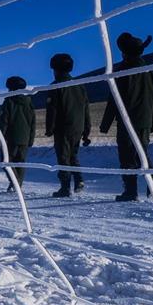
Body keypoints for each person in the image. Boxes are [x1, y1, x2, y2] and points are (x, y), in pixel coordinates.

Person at [99, 32, 153, 202]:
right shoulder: (148, 70)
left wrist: (105, 124)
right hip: (145, 119)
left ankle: (130, 191)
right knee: (141, 151)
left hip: (127, 119)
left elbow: (114, 99)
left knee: (127, 155)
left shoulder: (122, 71)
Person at [45, 53, 91, 197]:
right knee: (73, 154)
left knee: (63, 157)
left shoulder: (55, 86)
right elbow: (86, 108)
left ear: (55, 69)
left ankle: (65, 188)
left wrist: (49, 128)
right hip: (78, 127)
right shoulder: (79, 85)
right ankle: (79, 180)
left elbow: (52, 109)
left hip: (62, 127)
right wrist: (86, 129)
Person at [0, 75, 36, 192]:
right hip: (25, 137)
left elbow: (4, 120)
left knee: (5, 162)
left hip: (10, 138)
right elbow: (33, 121)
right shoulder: (29, 102)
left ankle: (16, 183)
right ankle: (17, 184)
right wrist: (31, 138)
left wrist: (1, 136)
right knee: (20, 162)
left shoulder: (9, 101)